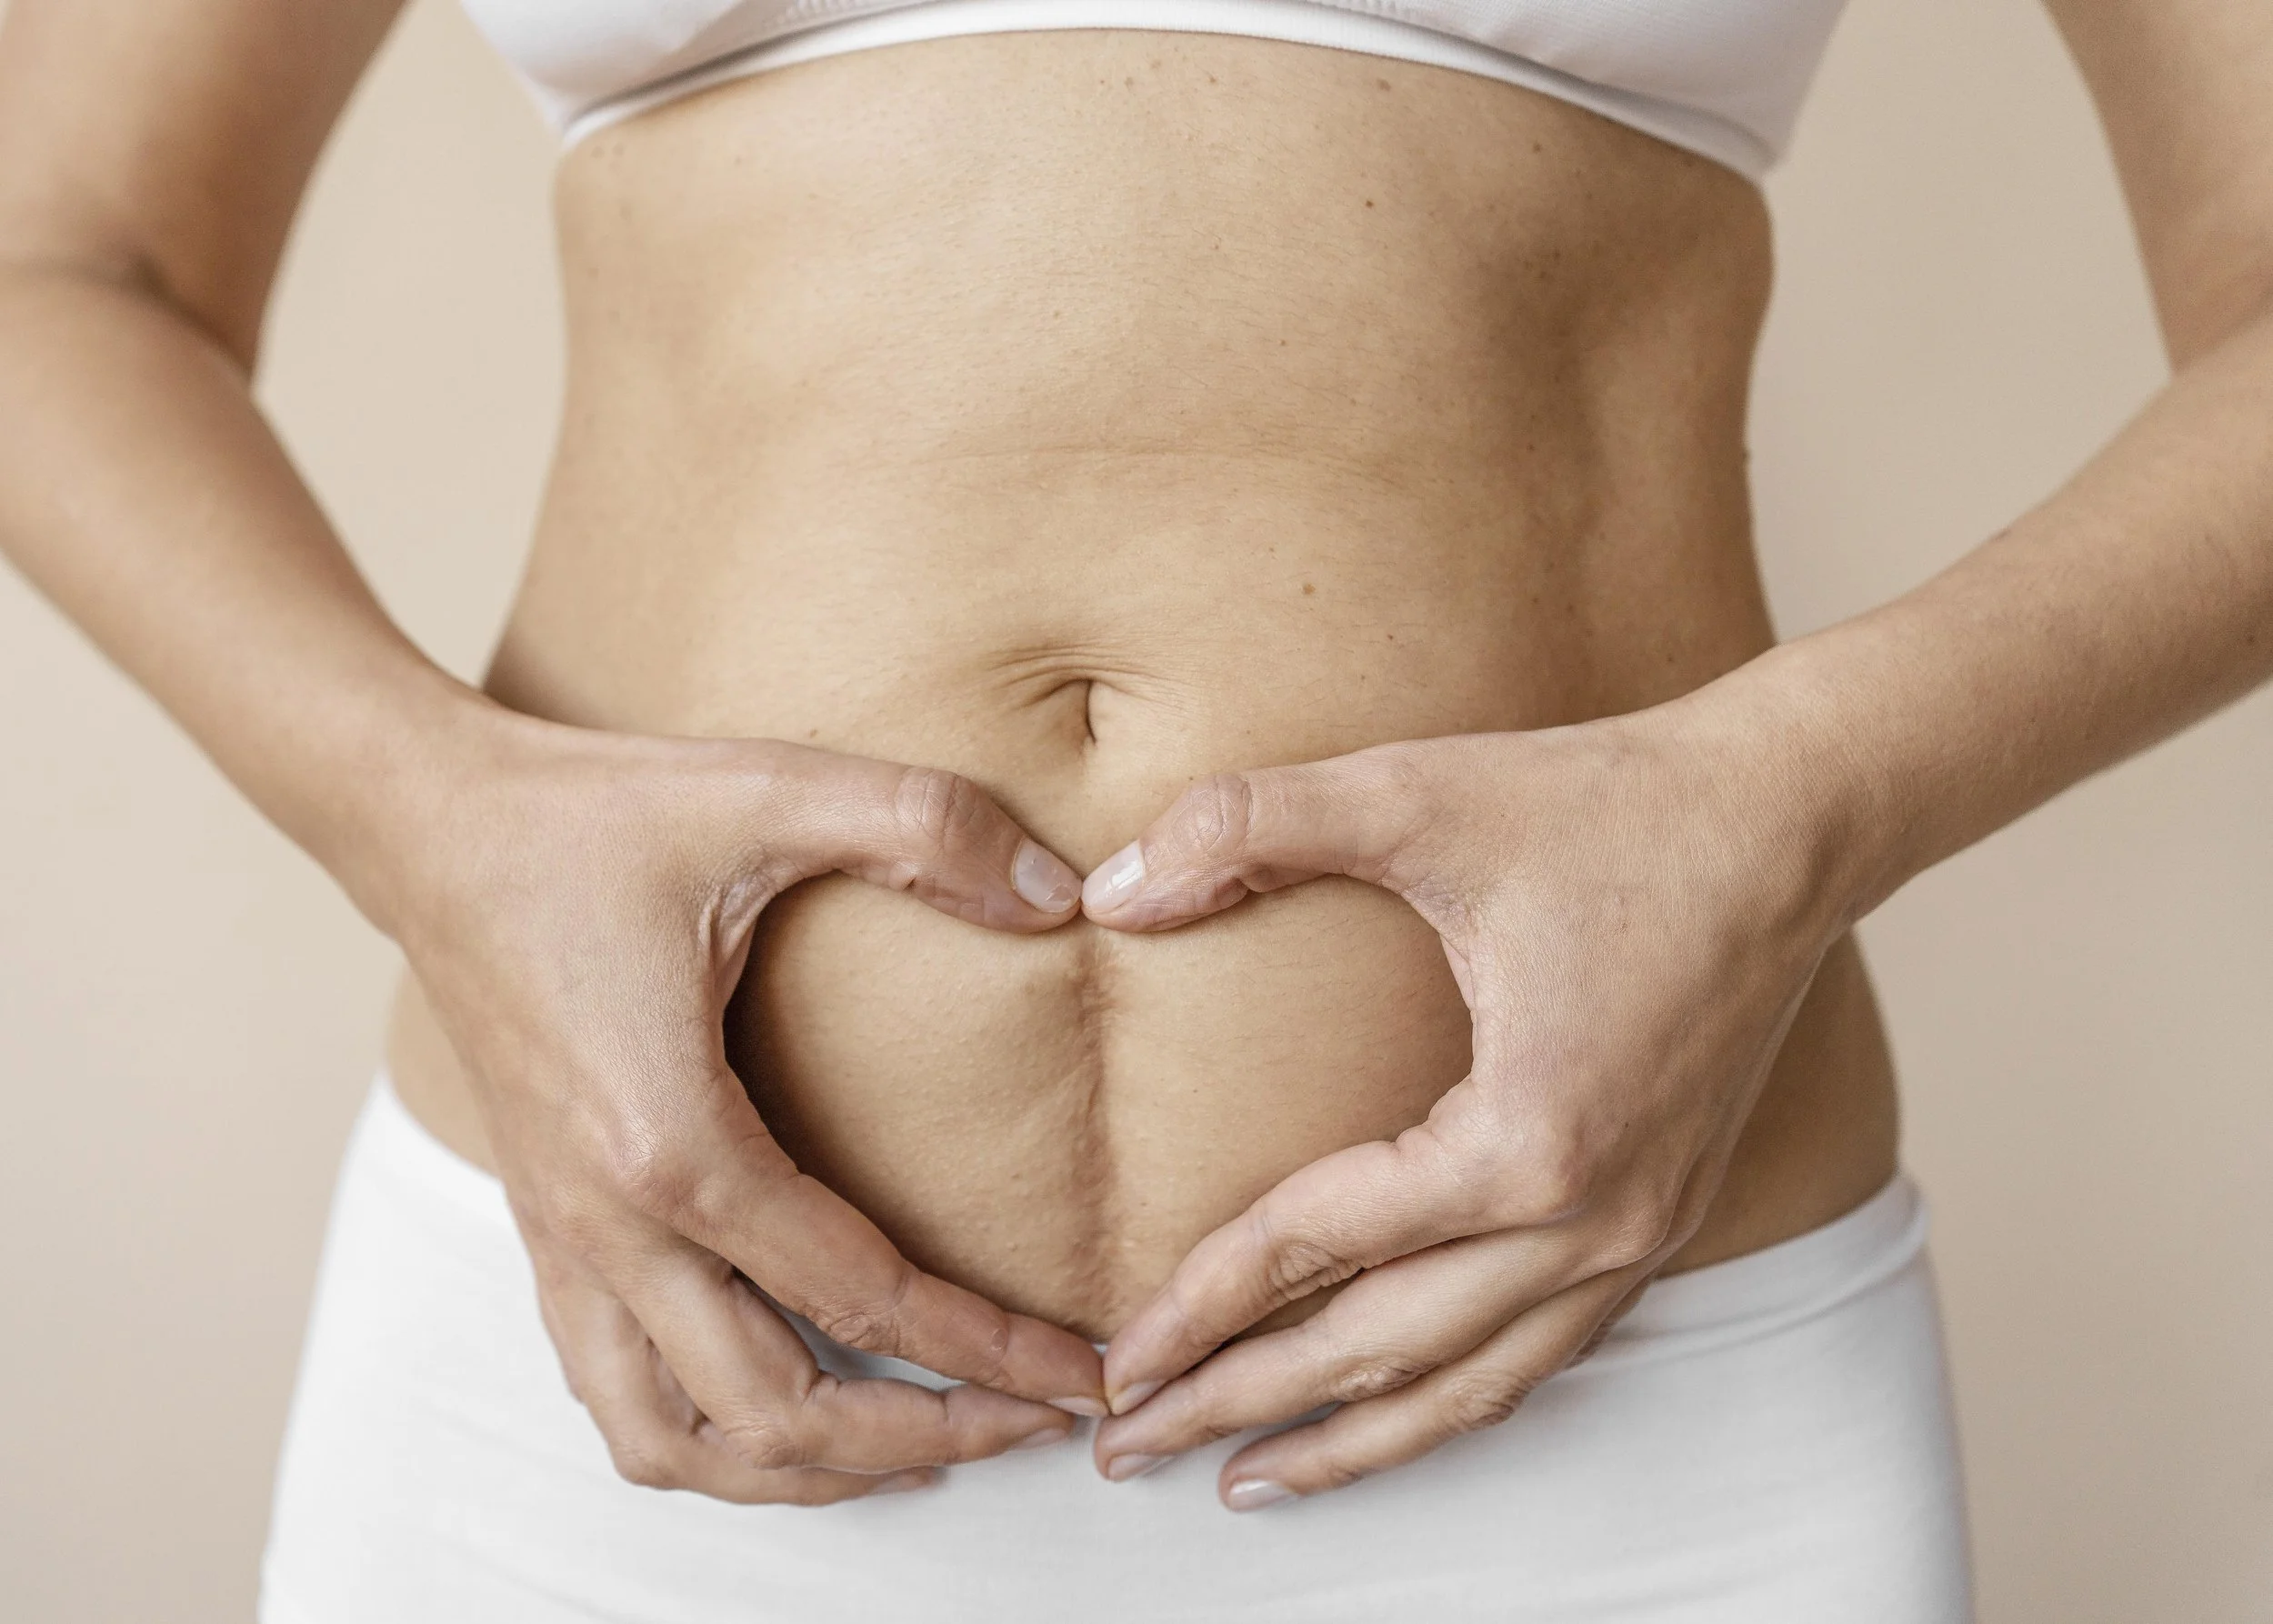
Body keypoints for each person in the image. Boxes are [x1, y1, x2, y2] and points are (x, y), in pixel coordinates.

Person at [1, 1, 2267, 1619]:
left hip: (1614, 1396)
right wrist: (430, 821)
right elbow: (55, 257)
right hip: (623, 1380)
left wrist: (1784, 803)